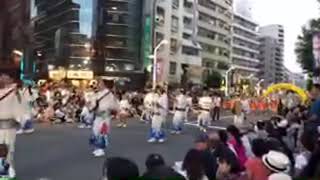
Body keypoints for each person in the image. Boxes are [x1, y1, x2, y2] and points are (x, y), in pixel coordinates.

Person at [0, 74, 28, 178]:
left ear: (10, 79)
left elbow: (21, 106)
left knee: (8, 149)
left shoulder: (14, 92)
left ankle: (8, 172)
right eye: (1, 77)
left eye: (5, 77)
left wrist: (20, 119)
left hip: (8, 125)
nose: (2, 79)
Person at [89, 79, 119, 157]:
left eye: (101, 83)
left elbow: (113, 104)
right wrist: (91, 108)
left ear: (104, 85)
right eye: (98, 83)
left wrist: (110, 109)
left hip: (105, 115)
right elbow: (93, 103)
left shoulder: (108, 93)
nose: (99, 85)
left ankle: (101, 149)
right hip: (97, 115)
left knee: (102, 131)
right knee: (95, 131)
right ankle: (97, 148)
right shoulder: (96, 94)